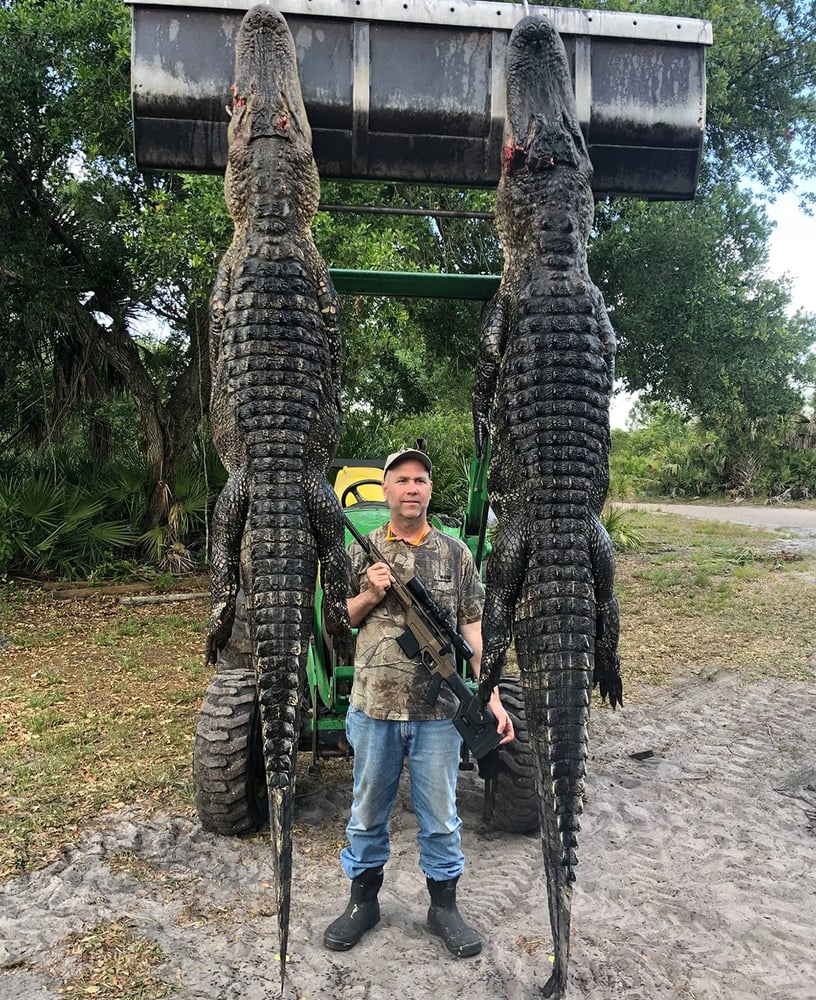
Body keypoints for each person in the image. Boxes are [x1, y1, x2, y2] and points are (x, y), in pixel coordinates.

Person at [323, 447, 514, 958]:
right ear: (386, 490)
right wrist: (368, 591)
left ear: (430, 490)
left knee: (441, 817)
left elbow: (472, 628)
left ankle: (443, 908)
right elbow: (339, 619)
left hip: (437, 717)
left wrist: (489, 695)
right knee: (366, 814)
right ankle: (363, 904)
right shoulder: (359, 551)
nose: (412, 488)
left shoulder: (456, 554)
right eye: (402, 479)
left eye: (420, 480)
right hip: (373, 708)